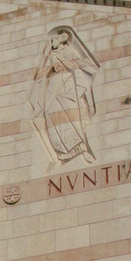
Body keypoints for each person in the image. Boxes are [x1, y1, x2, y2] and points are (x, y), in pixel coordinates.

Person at [28, 27, 100, 166]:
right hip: (54, 88)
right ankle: (61, 153)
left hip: (69, 85)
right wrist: (46, 60)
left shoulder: (71, 50)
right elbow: (39, 75)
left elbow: (88, 65)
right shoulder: (49, 56)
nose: (54, 44)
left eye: (56, 41)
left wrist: (68, 64)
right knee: (55, 119)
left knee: (74, 116)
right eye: (52, 42)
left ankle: (81, 147)